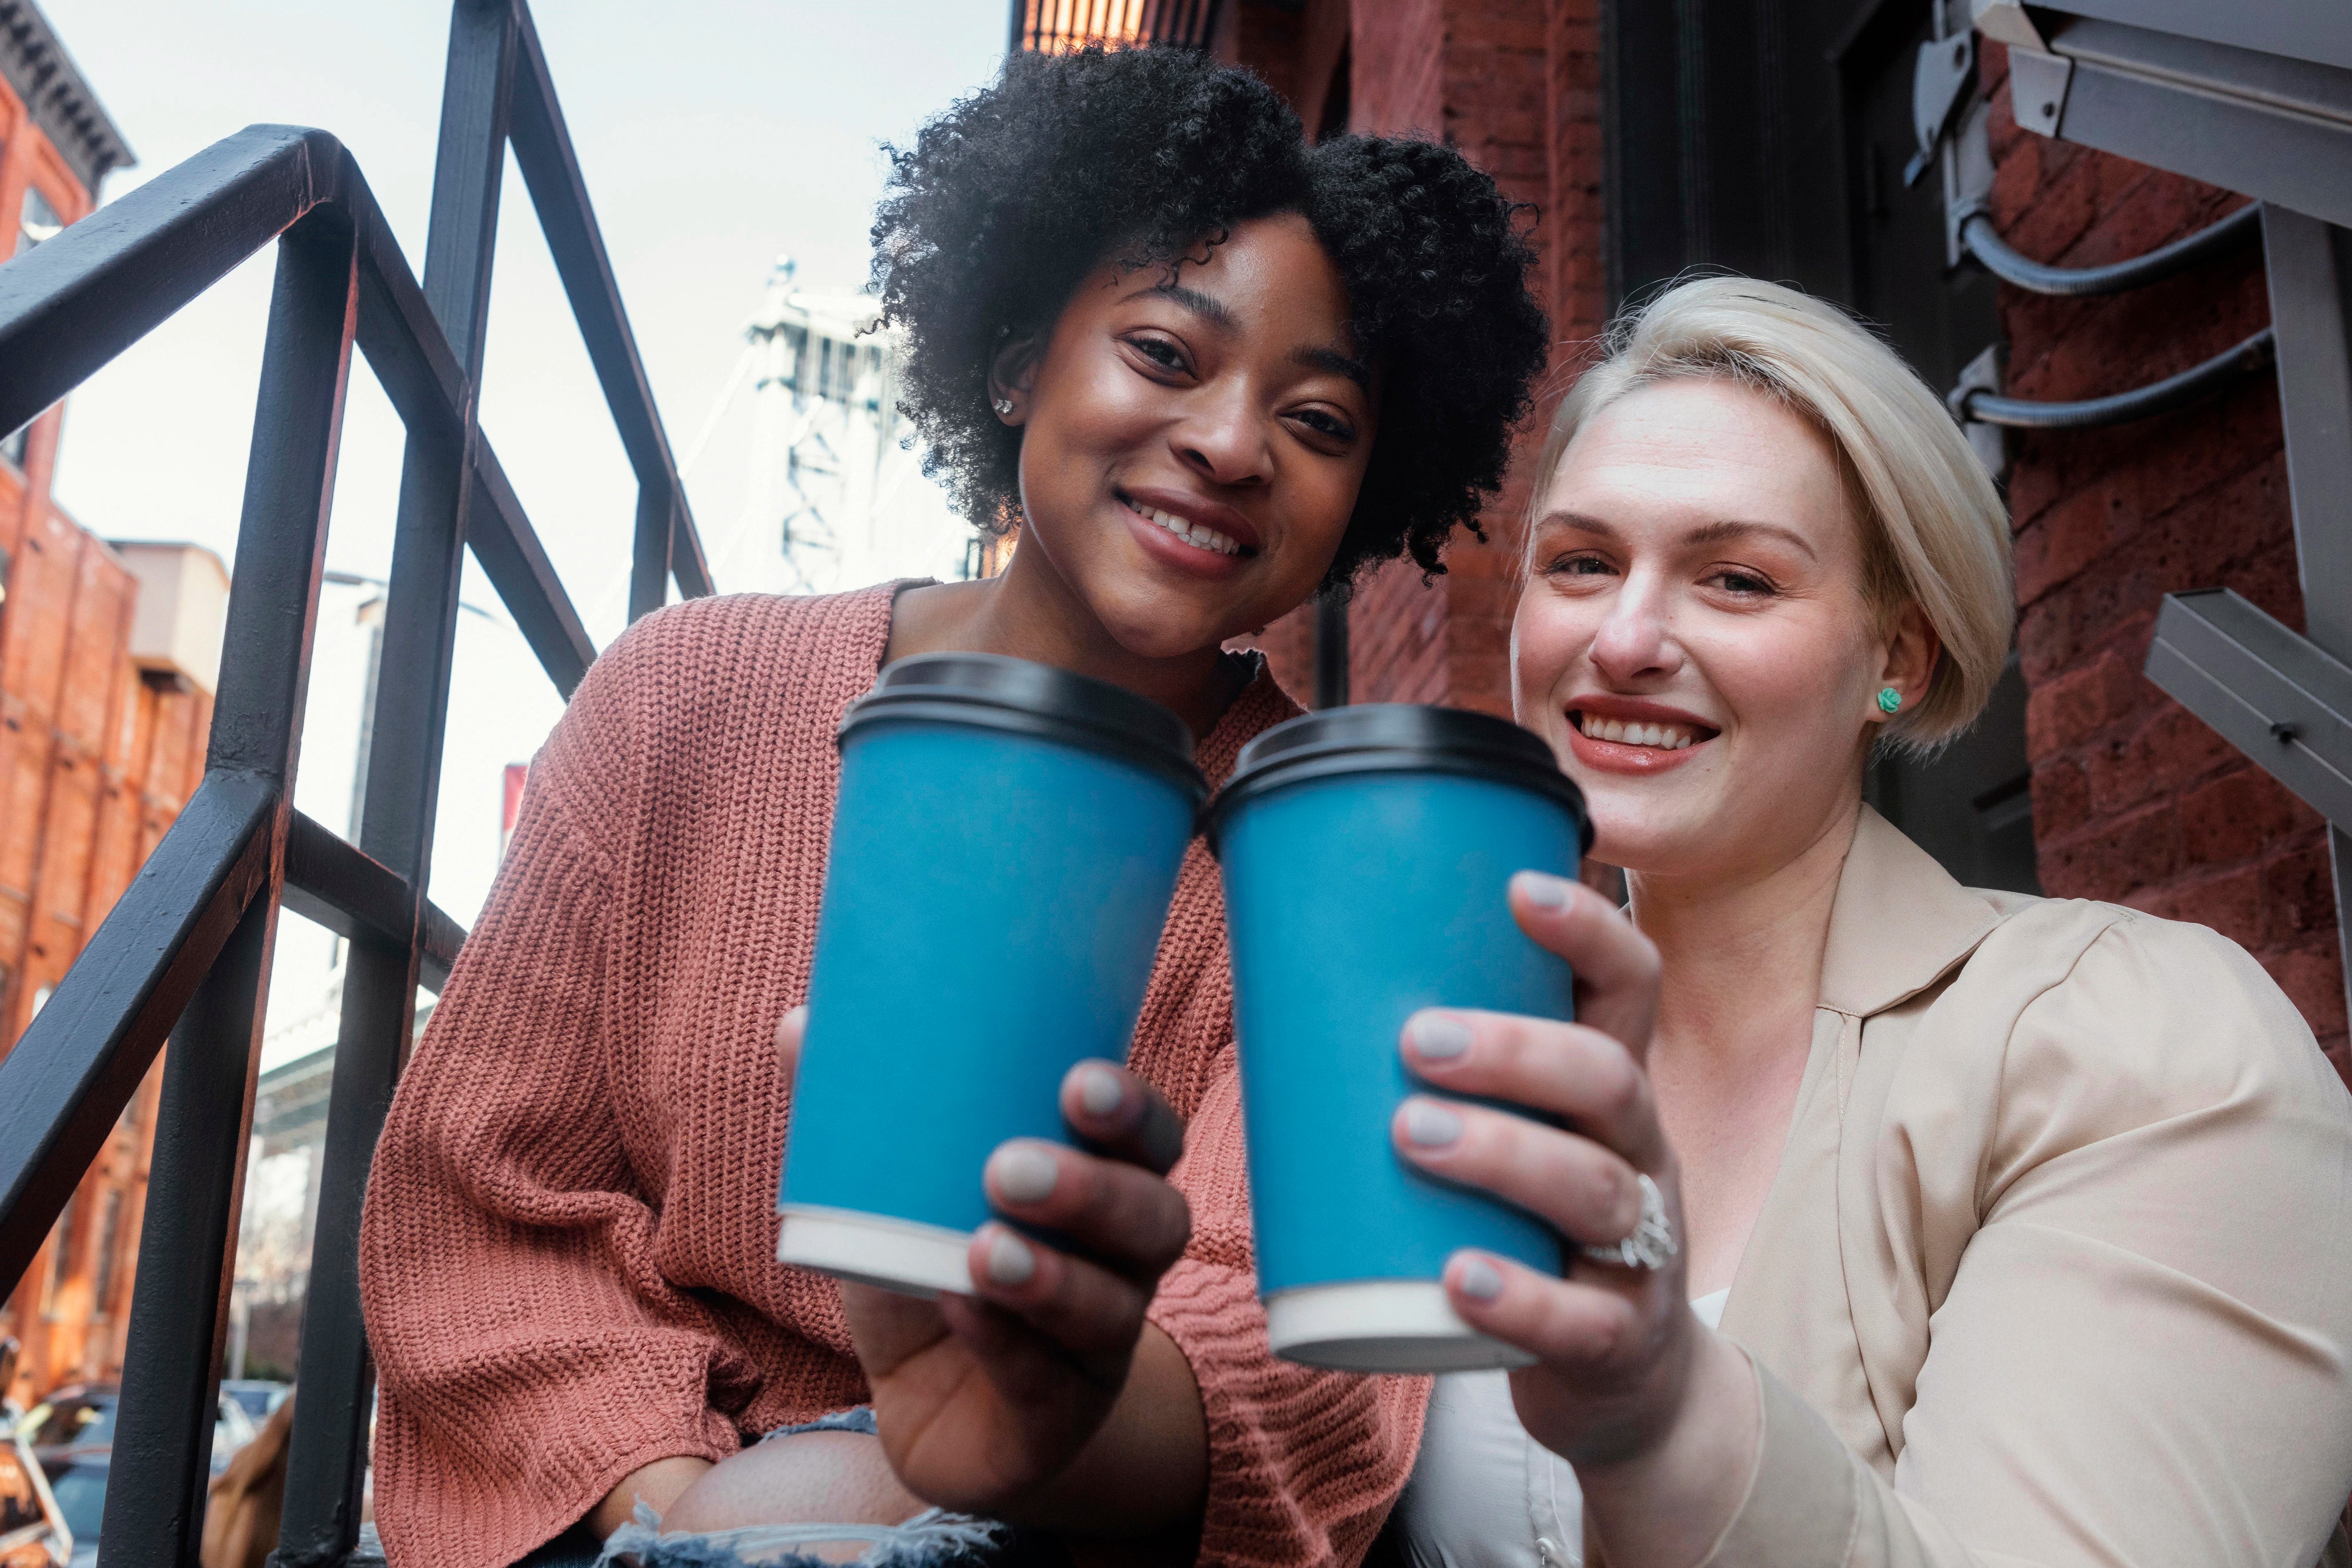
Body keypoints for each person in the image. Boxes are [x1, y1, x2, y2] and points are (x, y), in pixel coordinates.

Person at [355, 43, 1549, 1568]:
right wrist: (688, 1515)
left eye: (1320, 422)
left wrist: (986, 1455)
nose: (1233, 444)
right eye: (1164, 354)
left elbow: (1309, 1355)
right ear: (1015, 363)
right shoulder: (680, 698)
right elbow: (480, 1203)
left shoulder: (1351, 856)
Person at [1378, 274, 2352, 1568]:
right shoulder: (1440, 1048)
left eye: (1737, 579)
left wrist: (1665, 1421)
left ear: (1898, 661)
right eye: (1582, 563)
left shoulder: (2141, 1043)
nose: (1624, 638)